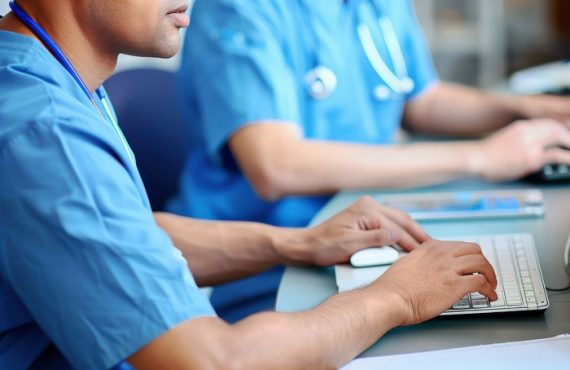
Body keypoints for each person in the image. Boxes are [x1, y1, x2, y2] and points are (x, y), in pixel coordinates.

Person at [0, 1, 500, 369]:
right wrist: (396, 298)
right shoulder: (44, 131)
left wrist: (296, 243)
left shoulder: (46, 78)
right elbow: (214, 362)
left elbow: (122, 234)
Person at [169, 0, 570, 319]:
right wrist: (480, 156)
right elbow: (275, 165)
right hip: (270, 266)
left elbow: (418, 99)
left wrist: (524, 108)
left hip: (366, 229)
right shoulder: (238, 9)